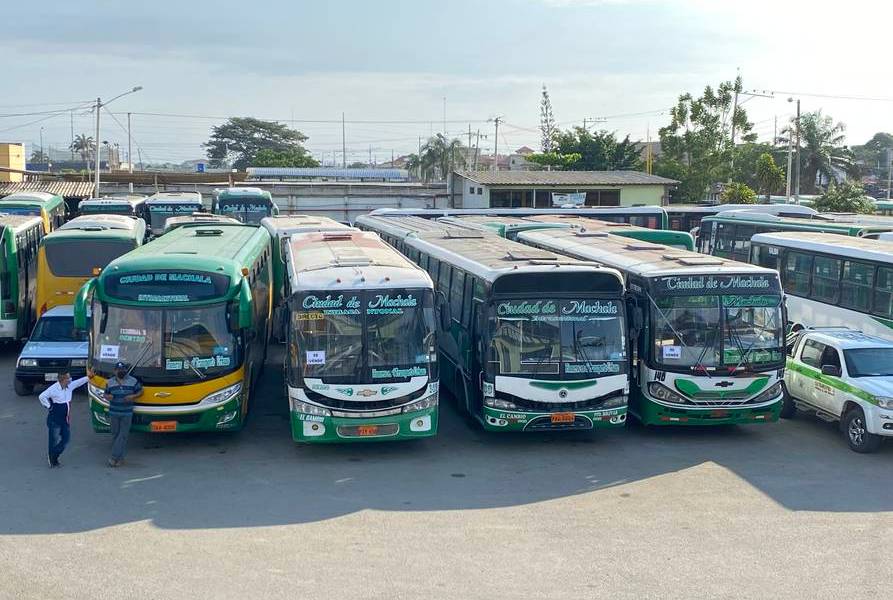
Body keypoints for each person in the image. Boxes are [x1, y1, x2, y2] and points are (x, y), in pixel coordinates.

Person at [38, 367, 94, 468]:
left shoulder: (70, 386)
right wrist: (49, 406)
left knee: (66, 439)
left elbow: (79, 382)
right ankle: (53, 460)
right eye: (68, 378)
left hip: (65, 419)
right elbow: (42, 396)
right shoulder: (53, 389)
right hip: (54, 419)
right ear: (62, 379)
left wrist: (89, 377)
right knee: (54, 440)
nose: (70, 379)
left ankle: (54, 454)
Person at [103, 361, 143, 468]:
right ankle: (120, 458)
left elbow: (140, 391)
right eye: (119, 370)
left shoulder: (133, 381)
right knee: (115, 435)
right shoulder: (109, 382)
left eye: (123, 370)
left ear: (126, 370)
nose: (121, 371)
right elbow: (105, 394)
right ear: (115, 371)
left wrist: (132, 396)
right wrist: (108, 397)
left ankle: (113, 457)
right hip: (114, 412)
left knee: (123, 435)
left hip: (127, 412)